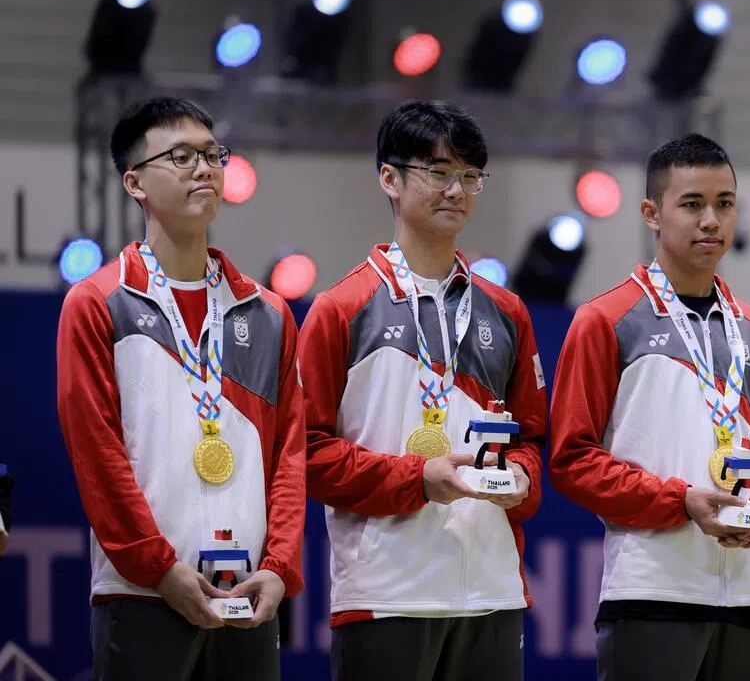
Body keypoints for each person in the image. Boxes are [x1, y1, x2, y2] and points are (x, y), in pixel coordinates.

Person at [56, 97, 306, 680]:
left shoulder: (267, 313)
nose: (204, 168)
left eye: (212, 155)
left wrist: (278, 566)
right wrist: (159, 568)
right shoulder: (97, 304)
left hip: (248, 594)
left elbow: (289, 456)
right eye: (181, 156)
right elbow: (98, 456)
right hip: (142, 593)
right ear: (134, 182)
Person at [548, 134, 750, 681]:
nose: (711, 220)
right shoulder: (606, 321)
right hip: (651, 591)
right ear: (652, 213)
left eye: (724, 203)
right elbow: (572, 458)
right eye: (692, 204)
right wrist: (680, 500)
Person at [299, 100, 547, 681]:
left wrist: (522, 481)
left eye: (469, 176)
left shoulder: (506, 311)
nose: (456, 190)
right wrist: (417, 478)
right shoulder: (341, 310)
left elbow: (533, 437)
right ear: (390, 178)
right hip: (384, 593)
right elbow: (306, 451)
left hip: (492, 591)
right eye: (438, 173)